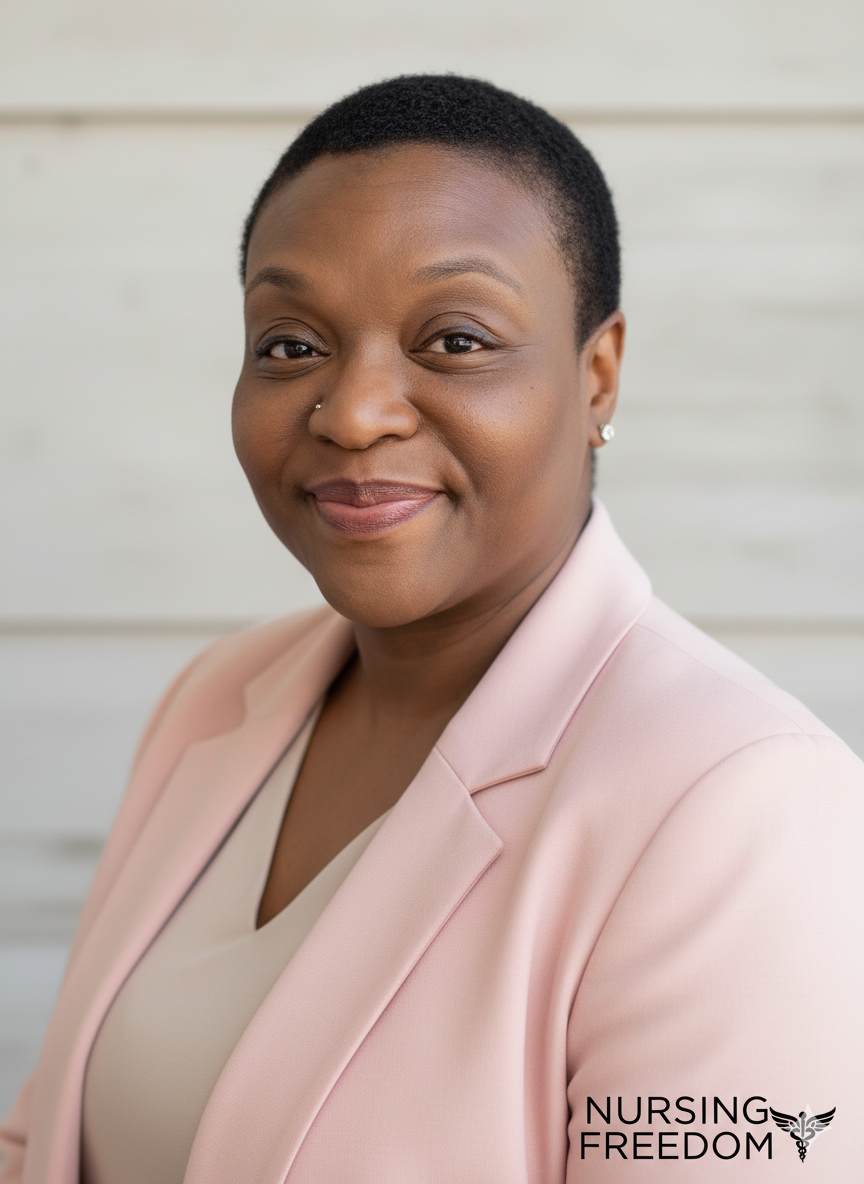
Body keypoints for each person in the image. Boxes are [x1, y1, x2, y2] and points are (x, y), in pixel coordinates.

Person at [1, 75, 861, 1184]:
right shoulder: (217, 696)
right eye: (291, 344)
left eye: (454, 339)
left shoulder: (739, 805)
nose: (354, 411)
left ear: (597, 375)